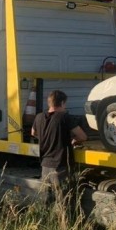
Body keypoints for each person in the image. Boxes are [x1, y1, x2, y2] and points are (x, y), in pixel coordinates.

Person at [31, 90, 87, 219]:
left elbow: (33, 132)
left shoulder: (39, 117)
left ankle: (43, 228)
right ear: (62, 103)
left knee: (45, 202)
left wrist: (46, 136)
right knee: (64, 203)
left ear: (49, 102)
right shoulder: (65, 117)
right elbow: (82, 136)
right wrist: (74, 140)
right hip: (60, 167)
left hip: (45, 166)